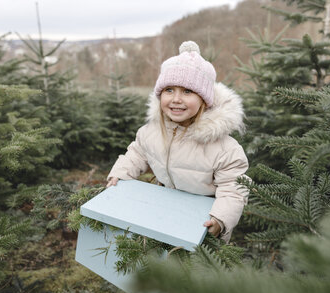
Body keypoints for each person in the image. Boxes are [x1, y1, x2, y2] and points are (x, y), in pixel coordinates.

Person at [106, 40, 249, 242]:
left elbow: (234, 188)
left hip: (201, 223)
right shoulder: (151, 132)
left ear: (204, 99)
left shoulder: (224, 148)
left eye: (187, 91)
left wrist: (220, 220)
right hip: (164, 213)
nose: (176, 99)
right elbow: (137, 154)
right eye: (169, 90)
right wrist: (120, 174)